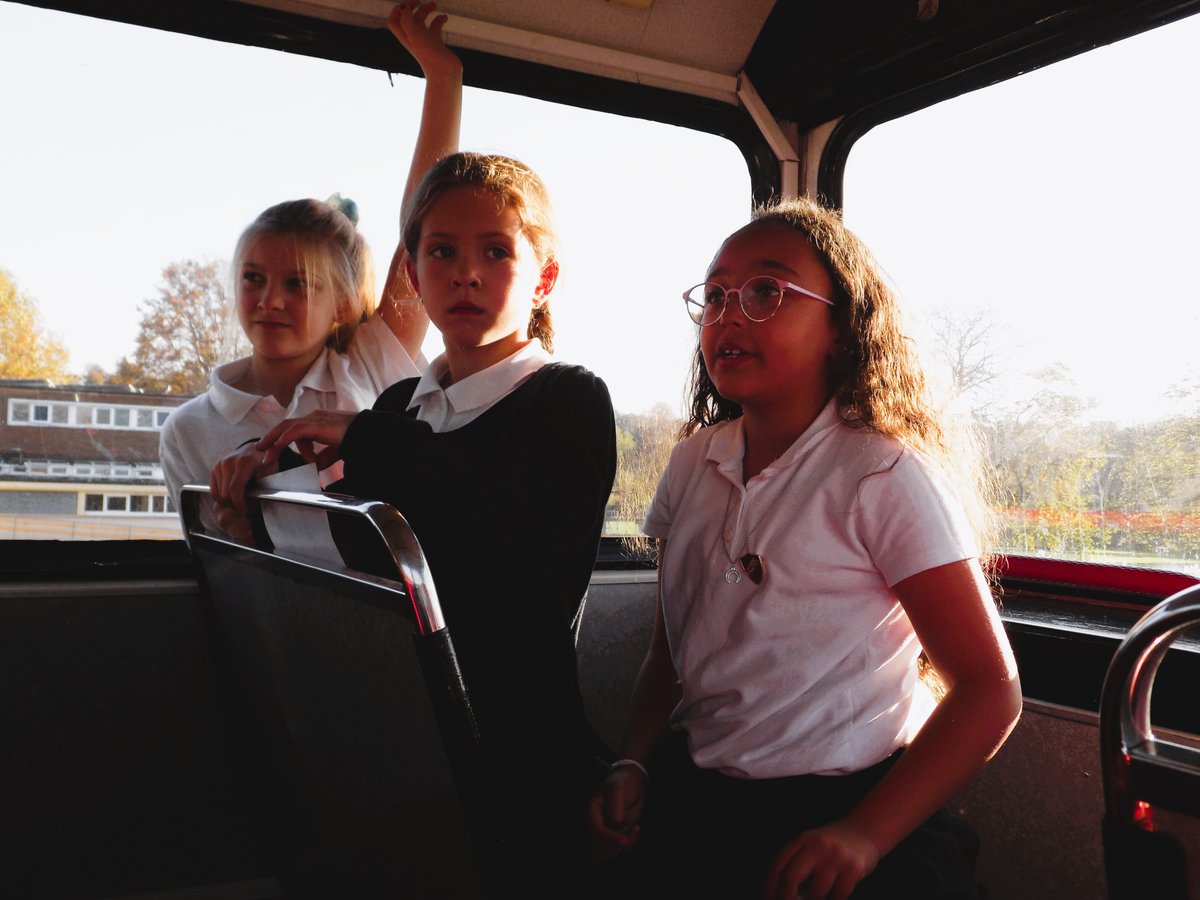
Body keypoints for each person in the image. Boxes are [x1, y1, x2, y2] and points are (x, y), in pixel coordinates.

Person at [587, 198, 1022, 900]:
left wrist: (865, 835)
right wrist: (633, 763)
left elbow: (988, 689)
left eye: (767, 291)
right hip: (703, 796)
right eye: (717, 296)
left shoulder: (881, 472)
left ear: (842, 328)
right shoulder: (693, 463)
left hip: (851, 804)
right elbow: (670, 656)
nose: (730, 313)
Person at [211, 151, 618, 893]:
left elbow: (526, 568)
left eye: (495, 251)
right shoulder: (400, 409)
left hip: (517, 747)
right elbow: (353, 563)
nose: (466, 272)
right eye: (442, 252)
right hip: (397, 728)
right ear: (415, 272)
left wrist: (367, 438)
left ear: (544, 278)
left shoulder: (567, 401)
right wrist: (263, 490)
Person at [160, 1, 462, 518]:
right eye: (254, 278)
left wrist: (444, 77)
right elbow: (216, 569)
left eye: (298, 285)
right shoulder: (188, 431)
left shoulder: (370, 363)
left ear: (344, 304)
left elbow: (422, 223)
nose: (269, 301)